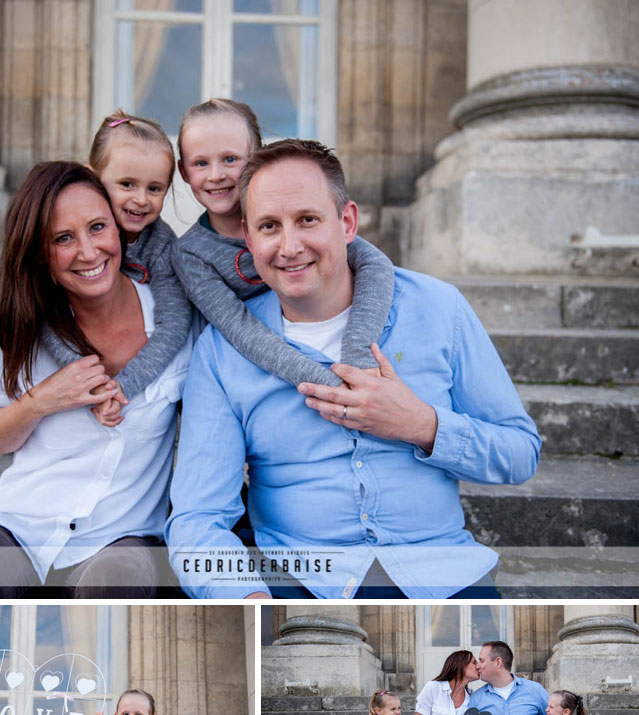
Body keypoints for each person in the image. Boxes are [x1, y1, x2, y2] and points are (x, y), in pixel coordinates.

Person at [167, 138, 540, 603]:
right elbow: (197, 519)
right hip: (298, 582)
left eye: (307, 220)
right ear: (249, 238)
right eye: (269, 226)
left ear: (346, 222)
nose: (289, 246)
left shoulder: (439, 309)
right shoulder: (221, 353)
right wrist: (244, 597)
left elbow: (520, 452)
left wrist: (422, 425)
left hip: (443, 577)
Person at [0, 161, 191, 600]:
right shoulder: (14, 316)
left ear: (120, 228)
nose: (88, 252)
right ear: (38, 250)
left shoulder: (177, 321)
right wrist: (40, 401)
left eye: (97, 227)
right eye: (63, 238)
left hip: (122, 535)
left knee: (113, 594)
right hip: (18, 523)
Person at [172, 99, 394, 394]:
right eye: (201, 163)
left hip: (318, 340)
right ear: (184, 171)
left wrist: (358, 353)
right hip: (243, 373)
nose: (216, 175)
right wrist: (332, 385)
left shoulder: (296, 214)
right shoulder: (191, 254)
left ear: (255, 159)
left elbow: (375, 263)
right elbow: (242, 331)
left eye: (230, 159)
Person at [87, 111, 193, 392]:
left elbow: (174, 324)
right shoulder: (74, 238)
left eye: (155, 188)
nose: (141, 199)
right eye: (127, 184)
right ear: (94, 178)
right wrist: (86, 377)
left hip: (135, 368)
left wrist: (125, 385)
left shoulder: (161, 246)